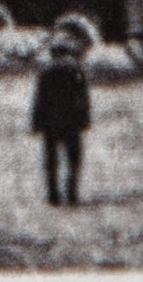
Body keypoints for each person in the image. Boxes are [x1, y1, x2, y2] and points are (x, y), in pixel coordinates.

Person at [31, 38, 91, 206]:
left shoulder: (45, 71)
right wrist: (85, 120)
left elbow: (39, 99)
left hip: (50, 123)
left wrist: (36, 123)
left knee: (51, 160)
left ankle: (53, 195)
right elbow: (83, 99)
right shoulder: (76, 70)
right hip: (71, 122)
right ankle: (72, 193)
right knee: (73, 159)